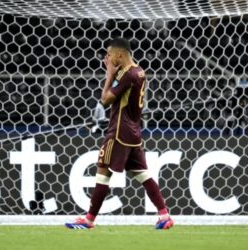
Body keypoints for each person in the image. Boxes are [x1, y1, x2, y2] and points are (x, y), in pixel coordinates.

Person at [65, 38, 174, 230]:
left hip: (118, 132)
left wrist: (108, 75)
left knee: (102, 171)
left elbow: (105, 100)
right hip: (133, 132)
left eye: (109, 54)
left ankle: (89, 220)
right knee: (143, 174)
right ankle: (164, 214)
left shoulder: (127, 75)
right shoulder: (139, 71)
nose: (107, 58)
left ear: (120, 54)